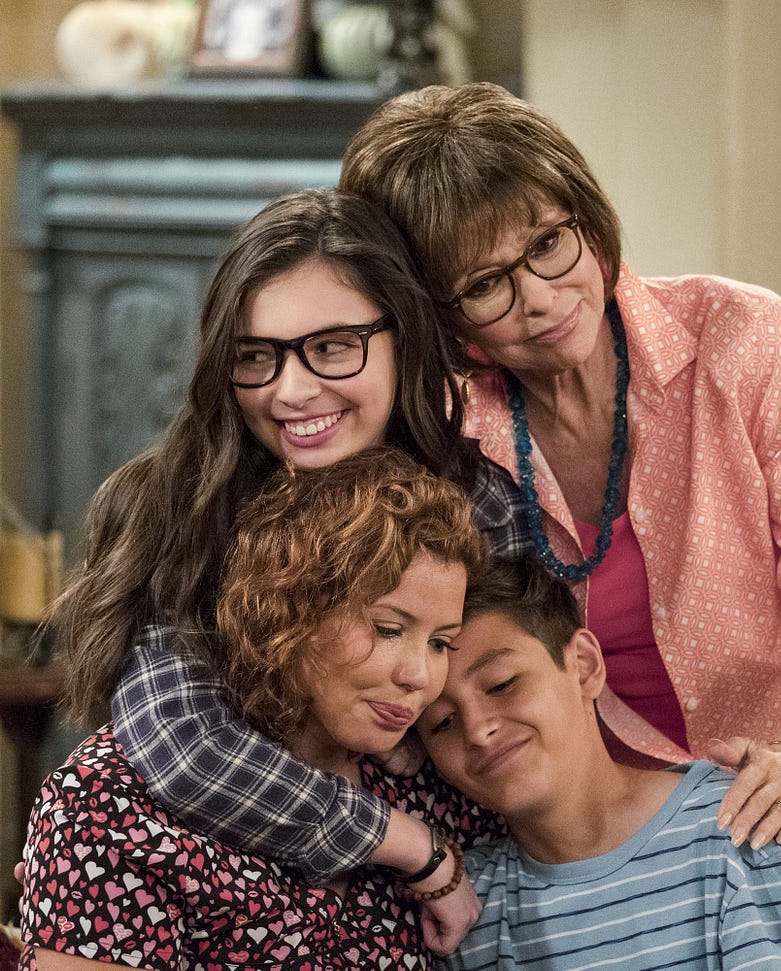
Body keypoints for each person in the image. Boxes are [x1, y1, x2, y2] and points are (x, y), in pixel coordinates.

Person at [340, 82, 781, 969]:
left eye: (550, 243)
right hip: (630, 838)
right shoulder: (450, 431)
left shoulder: (744, 338)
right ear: (440, 315)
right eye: (485, 286)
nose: (542, 297)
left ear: (586, 215)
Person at [61, 187, 529, 953]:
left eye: (334, 345)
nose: (291, 389)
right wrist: (411, 846)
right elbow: (183, 744)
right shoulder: (181, 506)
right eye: (257, 356)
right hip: (245, 889)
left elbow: (509, 714)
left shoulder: (480, 509)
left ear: (402, 340)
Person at [21, 449, 490, 969]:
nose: (419, 677)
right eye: (388, 629)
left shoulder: (428, 785)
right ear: (288, 608)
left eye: (441, 642)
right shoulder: (105, 804)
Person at [420, 555, 781, 971]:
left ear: (583, 665)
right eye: (441, 723)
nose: (477, 730)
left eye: (502, 684)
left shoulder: (740, 829)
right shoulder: (464, 906)